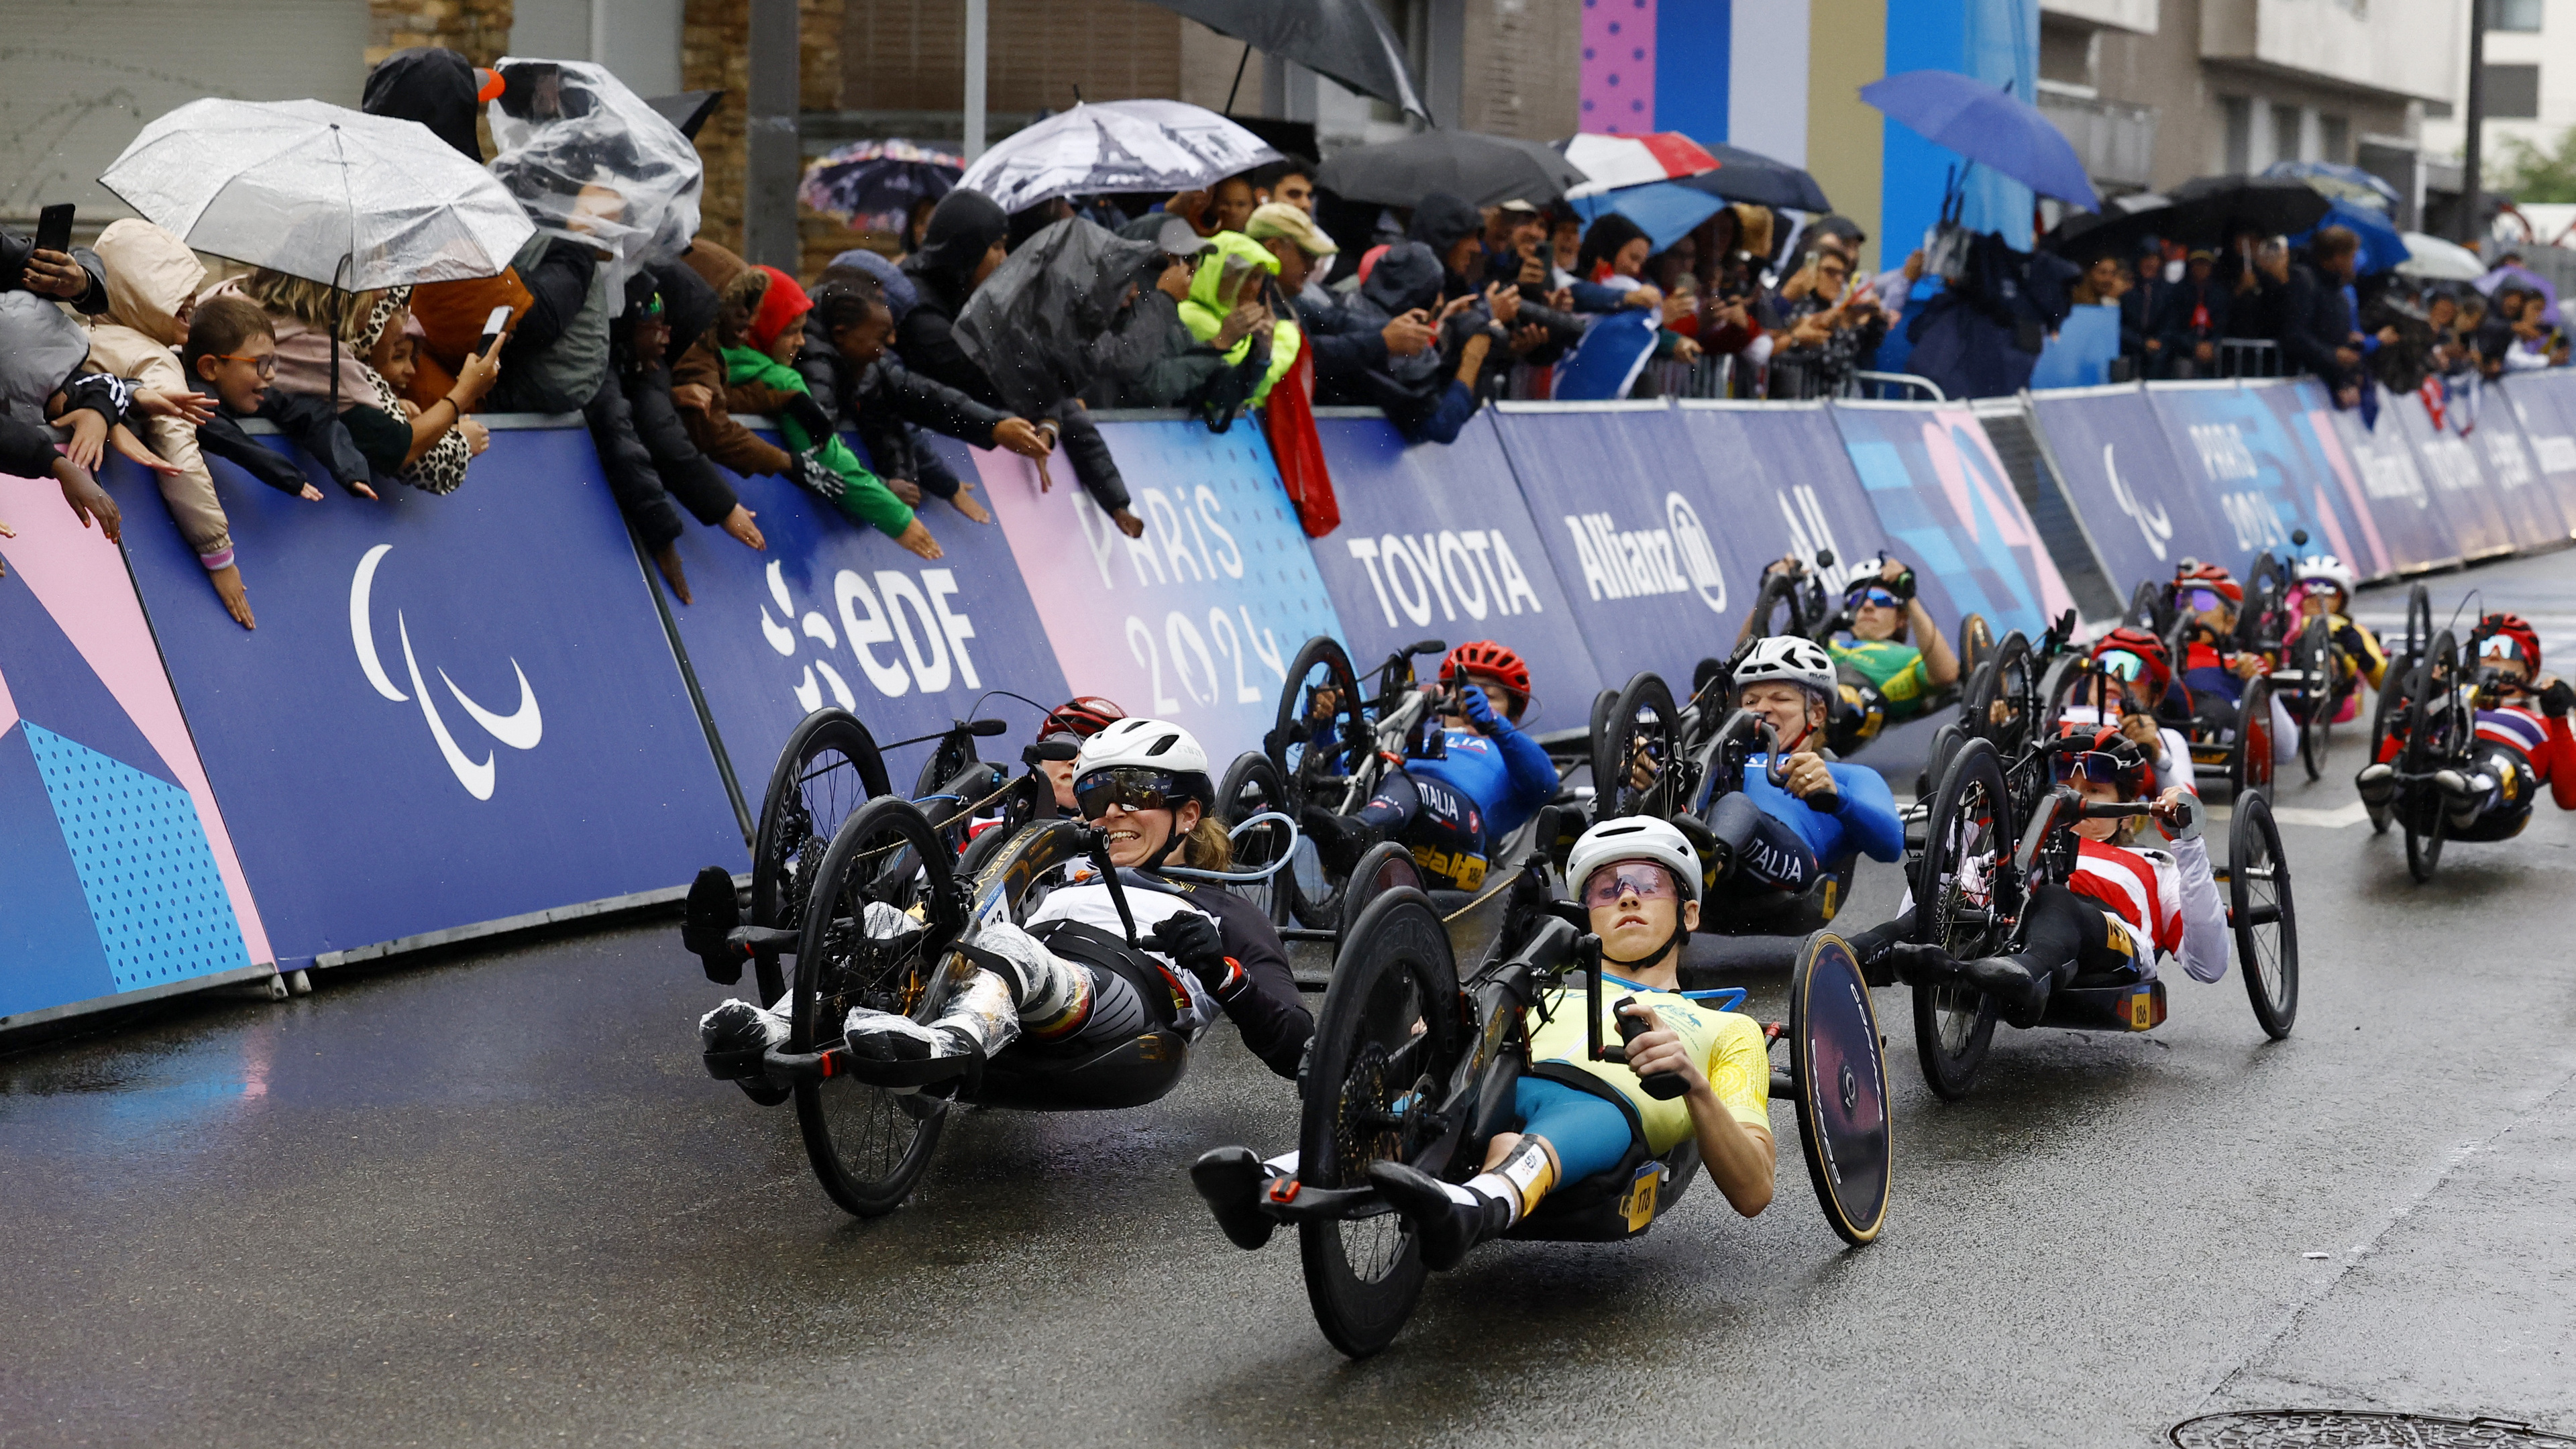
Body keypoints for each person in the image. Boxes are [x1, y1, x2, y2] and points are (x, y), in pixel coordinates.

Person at [1204, 813, 1776, 1265]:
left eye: (1648, 884)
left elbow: (1755, 1192)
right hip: (1497, 1083)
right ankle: (1272, 1178)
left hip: (1602, 1112)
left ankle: (1473, 1207)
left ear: (1690, 913)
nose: (1626, 897)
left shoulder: (1731, 1030)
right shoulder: (1544, 983)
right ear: (1586, 917)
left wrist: (1696, 1088)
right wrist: (1447, 1028)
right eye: (1605, 889)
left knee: (1553, 1131)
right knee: (1414, 1109)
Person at [697, 716, 1313, 1082]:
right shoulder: (1074, 872)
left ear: (1188, 815)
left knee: (1004, 944)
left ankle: (946, 1047)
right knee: (894, 923)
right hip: (1019, 970)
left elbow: (1296, 1046)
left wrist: (1220, 971)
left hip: (1129, 1000)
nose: (1115, 811)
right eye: (1099, 799)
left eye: (1138, 794)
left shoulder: (1228, 912)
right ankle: (775, 1023)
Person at [1882, 724, 2227, 1027]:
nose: (2074, 802)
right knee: (1953, 899)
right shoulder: (2014, 853)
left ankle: (2028, 977)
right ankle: (1863, 953)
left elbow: (2208, 965)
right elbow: (1931, 904)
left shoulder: (2155, 863)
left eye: (2092, 792)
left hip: (2112, 941)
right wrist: (1963, 819)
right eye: (2065, 790)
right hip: (2007, 922)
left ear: (2126, 813)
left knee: (2053, 897)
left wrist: (2189, 843)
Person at [899, 189, 1144, 538]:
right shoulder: (918, 308)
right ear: (966, 251)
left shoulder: (976, 295)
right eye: (996, 247)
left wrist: (1048, 421)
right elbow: (990, 381)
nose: (1006, 259)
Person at [78, 219, 258, 626]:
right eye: (173, 288)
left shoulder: (79, 336)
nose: (191, 299)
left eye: (191, 287)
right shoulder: (154, 360)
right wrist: (219, 556)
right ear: (134, 292)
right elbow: (179, 456)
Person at [716, 264, 937, 559]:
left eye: (803, 330)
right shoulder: (783, 381)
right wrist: (899, 521)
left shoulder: (703, 358)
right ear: (761, 326)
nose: (801, 341)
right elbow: (828, 458)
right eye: (791, 331)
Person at [1299, 641, 1560, 890]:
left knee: (1407, 784)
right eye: (1463, 694)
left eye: (1488, 697)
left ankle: (1356, 835)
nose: (1471, 704)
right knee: (1369, 777)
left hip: (1463, 836)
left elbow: (1546, 784)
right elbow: (1347, 786)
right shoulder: (1418, 740)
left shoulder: (1512, 752)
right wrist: (1322, 726)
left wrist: (1493, 723)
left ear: (1512, 715)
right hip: (1397, 812)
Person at [799, 270, 1050, 524]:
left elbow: (921, 394)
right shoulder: (813, 362)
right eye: (881, 338)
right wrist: (882, 488)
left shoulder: (860, 359)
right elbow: (817, 449)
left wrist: (994, 425)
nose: (891, 343)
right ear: (841, 334)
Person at [1687, 637, 1905, 917]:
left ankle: (1698, 867)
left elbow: (1891, 845)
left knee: (1737, 806)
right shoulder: (1719, 760)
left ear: (1816, 714)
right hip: (1706, 844)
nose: (1761, 708)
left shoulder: (1849, 776)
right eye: (1750, 700)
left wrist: (1839, 798)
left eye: (1780, 698)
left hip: (1791, 868)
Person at [2357, 612, 2576, 837]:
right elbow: (2387, 755)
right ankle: (2387, 793)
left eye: (2507, 647)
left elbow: (2570, 799)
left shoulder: (2543, 721)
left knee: (2500, 763)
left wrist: (2558, 717)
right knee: (2411, 757)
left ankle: (2476, 793)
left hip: (2500, 804)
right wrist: (2420, 703)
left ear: (2529, 669)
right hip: (2434, 782)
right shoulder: (2449, 702)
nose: (2494, 653)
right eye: (2487, 645)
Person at [181, 295, 383, 504]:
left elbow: (311, 414)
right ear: (210, 368)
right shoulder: (189, 397)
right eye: (259, 363)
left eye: (271, 362)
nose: (270, 374)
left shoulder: (248, 393)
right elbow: (226, 436)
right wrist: (290, 478)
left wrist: (351, 470)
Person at [1809, 554, 1962, 743]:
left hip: (1850, 725)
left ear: (1900, 618)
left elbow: (1946, 675)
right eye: (1858, 598)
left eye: (1881, 599)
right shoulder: (1825, 645)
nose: (1867, 605)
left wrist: (1909, 597)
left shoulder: (1911, 658)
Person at [2170, 561, 2297, 761]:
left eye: (2203, 601)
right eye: (2182, 602)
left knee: (2214, 713)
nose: (2188, 611)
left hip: (2211, 721)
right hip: (2158, 724)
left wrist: (2265, 691)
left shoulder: (2240, 664)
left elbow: (2285, 751)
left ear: (2229, 623)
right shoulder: (2154, 655)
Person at [2059, 626, 2198, 798]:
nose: (2115, 676)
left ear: (2153, 697)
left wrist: (2156, 758)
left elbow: (2188, 817)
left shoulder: (2167, 741)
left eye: (2133, 669)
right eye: (2106, 664)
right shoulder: (2053, 720)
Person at [2288, 553, 2387, 717]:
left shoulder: (2353, 630)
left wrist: (2364, 657)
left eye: (2328, 589)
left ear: (2342, 597)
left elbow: (2385, 683)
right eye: (2309, 588)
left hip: (2338, 697)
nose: (2318, 596)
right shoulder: (2284, 625)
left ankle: (2328, 668)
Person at [1023, 696, 1125, 814]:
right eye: (1064, 745)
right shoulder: (997, 828)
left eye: (1094, 754)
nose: (1076, 760)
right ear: (1038, 760)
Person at [2153, 248, 2231, 380]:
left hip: (2213, 358)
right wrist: (2194, 345)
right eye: (2197, 263)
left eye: (2205, 264)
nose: (2201, 268)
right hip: (2184, 355)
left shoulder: (2220, 294)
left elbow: (2224, 325)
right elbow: (2172, 327)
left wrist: (2212, 344)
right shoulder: (2178, 292)